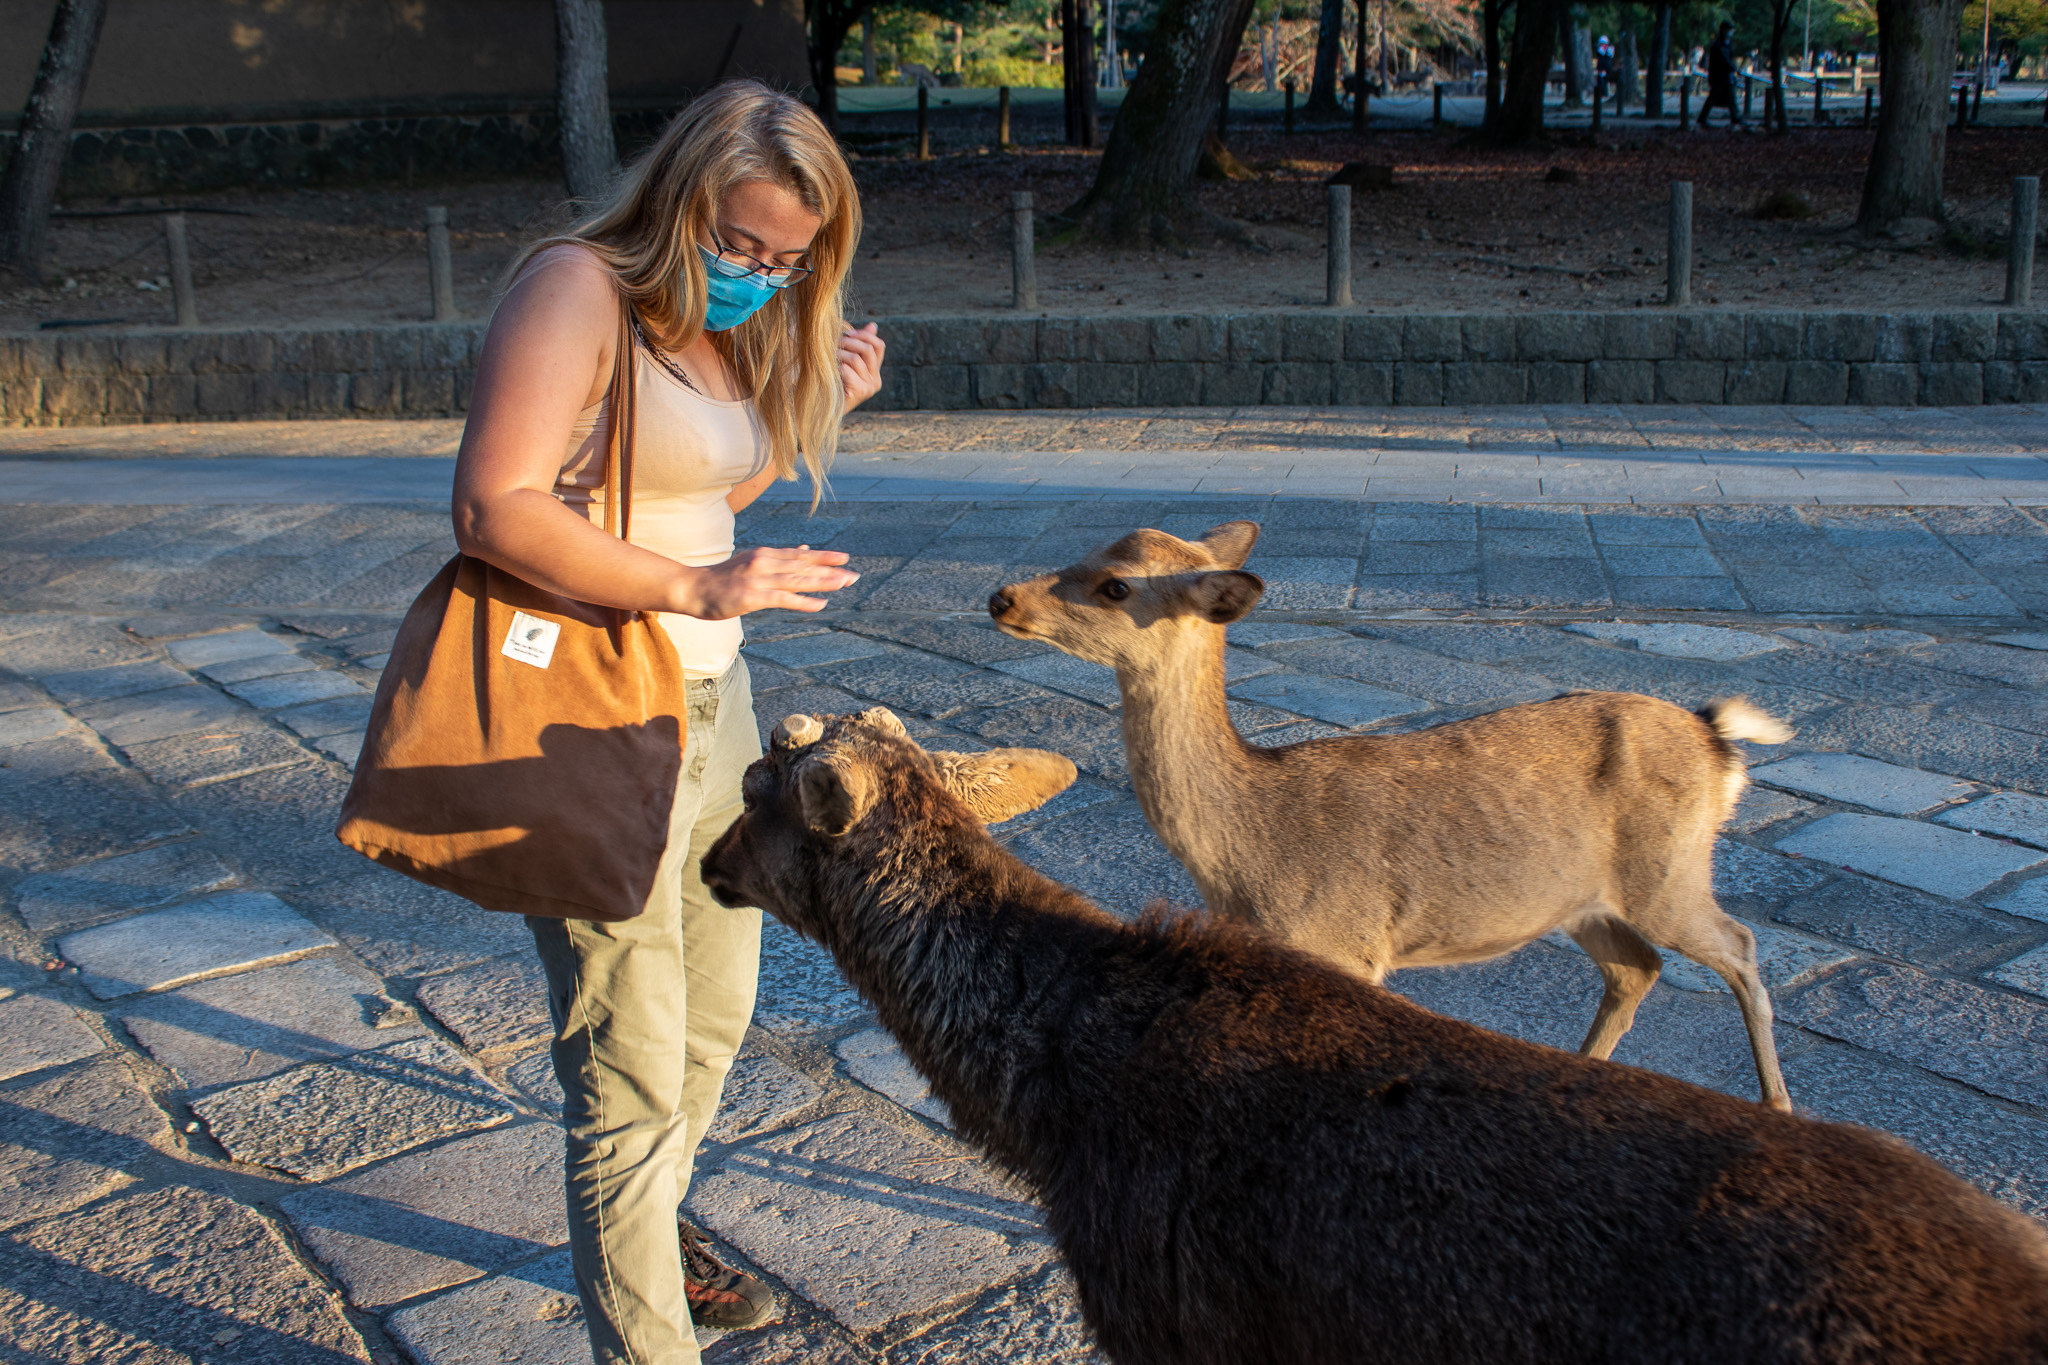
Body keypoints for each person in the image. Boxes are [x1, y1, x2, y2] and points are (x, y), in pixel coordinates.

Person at [450, 80, 882, 1364]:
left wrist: (823, 409)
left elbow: (691, 484)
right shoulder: (575, 286)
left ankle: (646, 1231)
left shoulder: (713, 323)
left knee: (713, 1020)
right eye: (741, 245)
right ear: (682, 199)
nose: (761, 274)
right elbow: (494, 507)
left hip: (716, 701)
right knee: (626, 1073)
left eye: (791, 259)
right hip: (591, 710)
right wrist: (699, 584)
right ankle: (643, 1329)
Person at [1698, 20, 1743, 128]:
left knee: (1731, 97)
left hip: (1727, 77)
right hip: (1718, 77)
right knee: (1713, 98)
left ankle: (1735, 117)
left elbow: (1729, 59)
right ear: (1723, 31)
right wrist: (1734, 69)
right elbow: (1724, 60)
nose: (1730, 33)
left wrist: (1733, 71)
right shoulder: (1717, 45)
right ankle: (1702, 118)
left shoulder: (1728, 45)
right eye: (1729, 30)